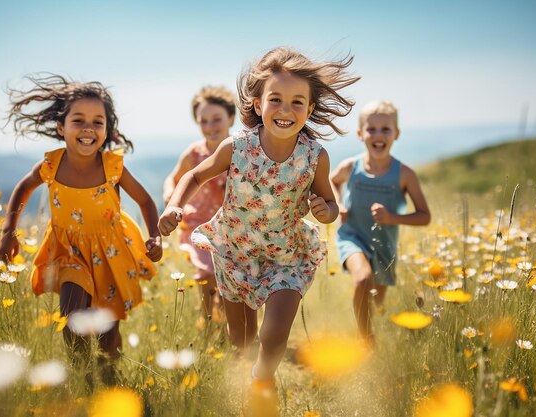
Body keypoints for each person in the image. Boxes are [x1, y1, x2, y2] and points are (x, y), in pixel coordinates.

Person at [159, 47, 359, 415]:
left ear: (310, 109)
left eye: (297, 102)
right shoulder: (237, 147)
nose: (286, 110)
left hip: (286, 256)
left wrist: (324, 210)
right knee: (243, 342)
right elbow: (195, 175)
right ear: (257, 102)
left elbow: (330, 205)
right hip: (234, 252)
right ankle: (248, 380)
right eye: (276, 99)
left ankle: (263, 383)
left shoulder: (315, 156)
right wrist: (175, 204)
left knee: (273, 336)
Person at [0, 74, 162, 387]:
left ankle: (109, 377)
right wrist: (9, 231)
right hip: (69, 251)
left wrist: (153, 236)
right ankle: (83, 379)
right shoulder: (51, 165)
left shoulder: (113, 166)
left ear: (107, 129)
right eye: (79, 120)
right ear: (61, 128)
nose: (88, 129)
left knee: (108, 332)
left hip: (111, 253)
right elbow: (23, 188)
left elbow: (145, 201)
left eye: (97, 122)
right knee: (73, 318)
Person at [330, 100, 430, 345]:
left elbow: (424, 216)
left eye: (385, 129)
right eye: (371, 129)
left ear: (396, 134)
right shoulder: (350, 167)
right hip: (351, 236)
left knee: (374, 302)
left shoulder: (405, 174)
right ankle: (365, 341)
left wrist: (392, 218)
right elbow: (332, 182)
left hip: (384, 246)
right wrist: (338, 204)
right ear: (360, 134)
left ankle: (367, 332)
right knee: (362, 279)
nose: (378, 135)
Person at [162, 86, 236, 320]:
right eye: (203, 121)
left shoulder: (240, 151)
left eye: (216, 120)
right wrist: (171, 199)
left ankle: (224, 327)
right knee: (206, 274)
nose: (210, 127)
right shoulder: (194, 153)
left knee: (229, 280)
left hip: (232, 228)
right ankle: (206, 321)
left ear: (231, 119)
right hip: (198, 225)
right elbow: (173, 179)